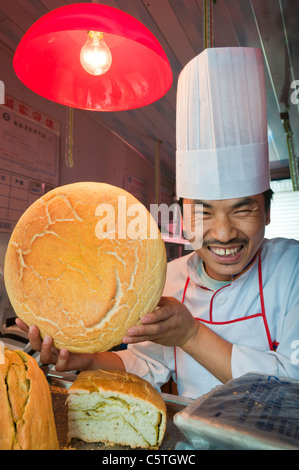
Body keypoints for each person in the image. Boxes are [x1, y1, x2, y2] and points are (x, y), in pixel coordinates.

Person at [16, 47, 299, 399]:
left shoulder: (292, 269)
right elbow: (145, 366)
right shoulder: (170, 277)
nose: (224, 233)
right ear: (182, 218)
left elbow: (292, 387)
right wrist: (86, 360)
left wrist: (191, 335)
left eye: (243, 210)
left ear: (268, 212)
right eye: (204, 212)